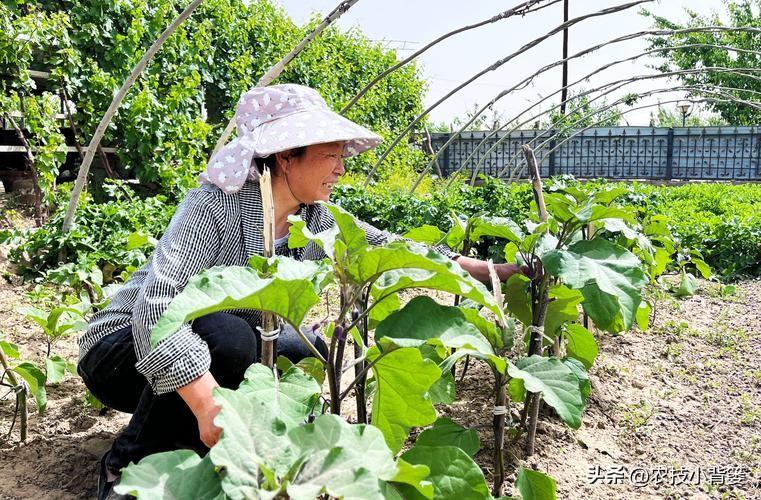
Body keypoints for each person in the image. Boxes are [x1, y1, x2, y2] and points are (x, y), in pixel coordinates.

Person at [78, 84, 523, 499]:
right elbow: (157, 308)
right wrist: (206, 402)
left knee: (306, 347)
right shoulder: (215, 204)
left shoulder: (317, 220)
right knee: (231, 340)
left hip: (203, 342)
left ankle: (204, 449)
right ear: (287, 155)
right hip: (120, 348)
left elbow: (394, 246)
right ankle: (126, 466)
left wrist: (488, 271)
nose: (341, 168)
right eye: (331, 154)